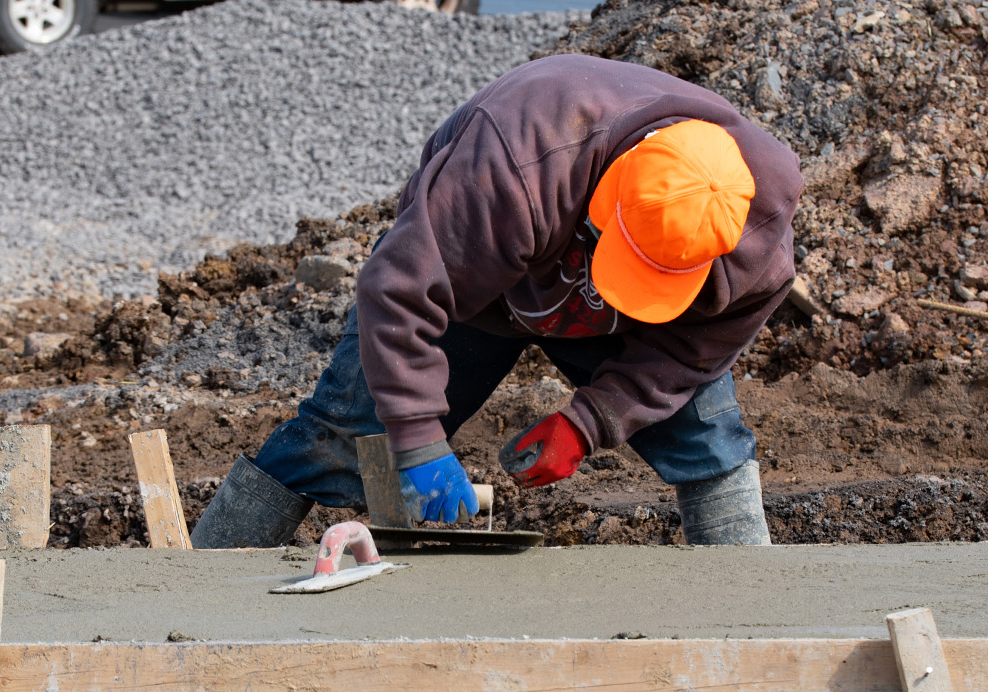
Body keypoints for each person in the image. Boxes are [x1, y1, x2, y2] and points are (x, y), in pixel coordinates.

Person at [190, 53, 801, 548]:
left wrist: (587, 424)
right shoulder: (518, 158)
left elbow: (691, 354)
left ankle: (750, 619)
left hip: (620, 324)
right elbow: (399, 292)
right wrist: (419, 440)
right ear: (607, 199)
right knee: (342, 433)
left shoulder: (755, 239)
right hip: (476, 291)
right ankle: (190, 594)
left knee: (709, 441)